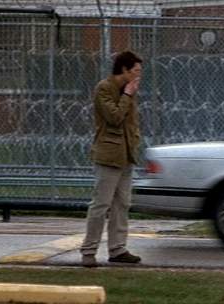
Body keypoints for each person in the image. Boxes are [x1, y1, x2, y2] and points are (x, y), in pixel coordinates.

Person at [81, 51, 143, 267]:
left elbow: (131, 122)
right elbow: (114, 117)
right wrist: (126, 95)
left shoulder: (130, 90)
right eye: (135, 71)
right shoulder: (104, 88)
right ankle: (89, 251)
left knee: (122, 204)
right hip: (109, 155)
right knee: (101, 204)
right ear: (124, 70)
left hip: (126, 154)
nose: (138, 76)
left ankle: (118, 249)